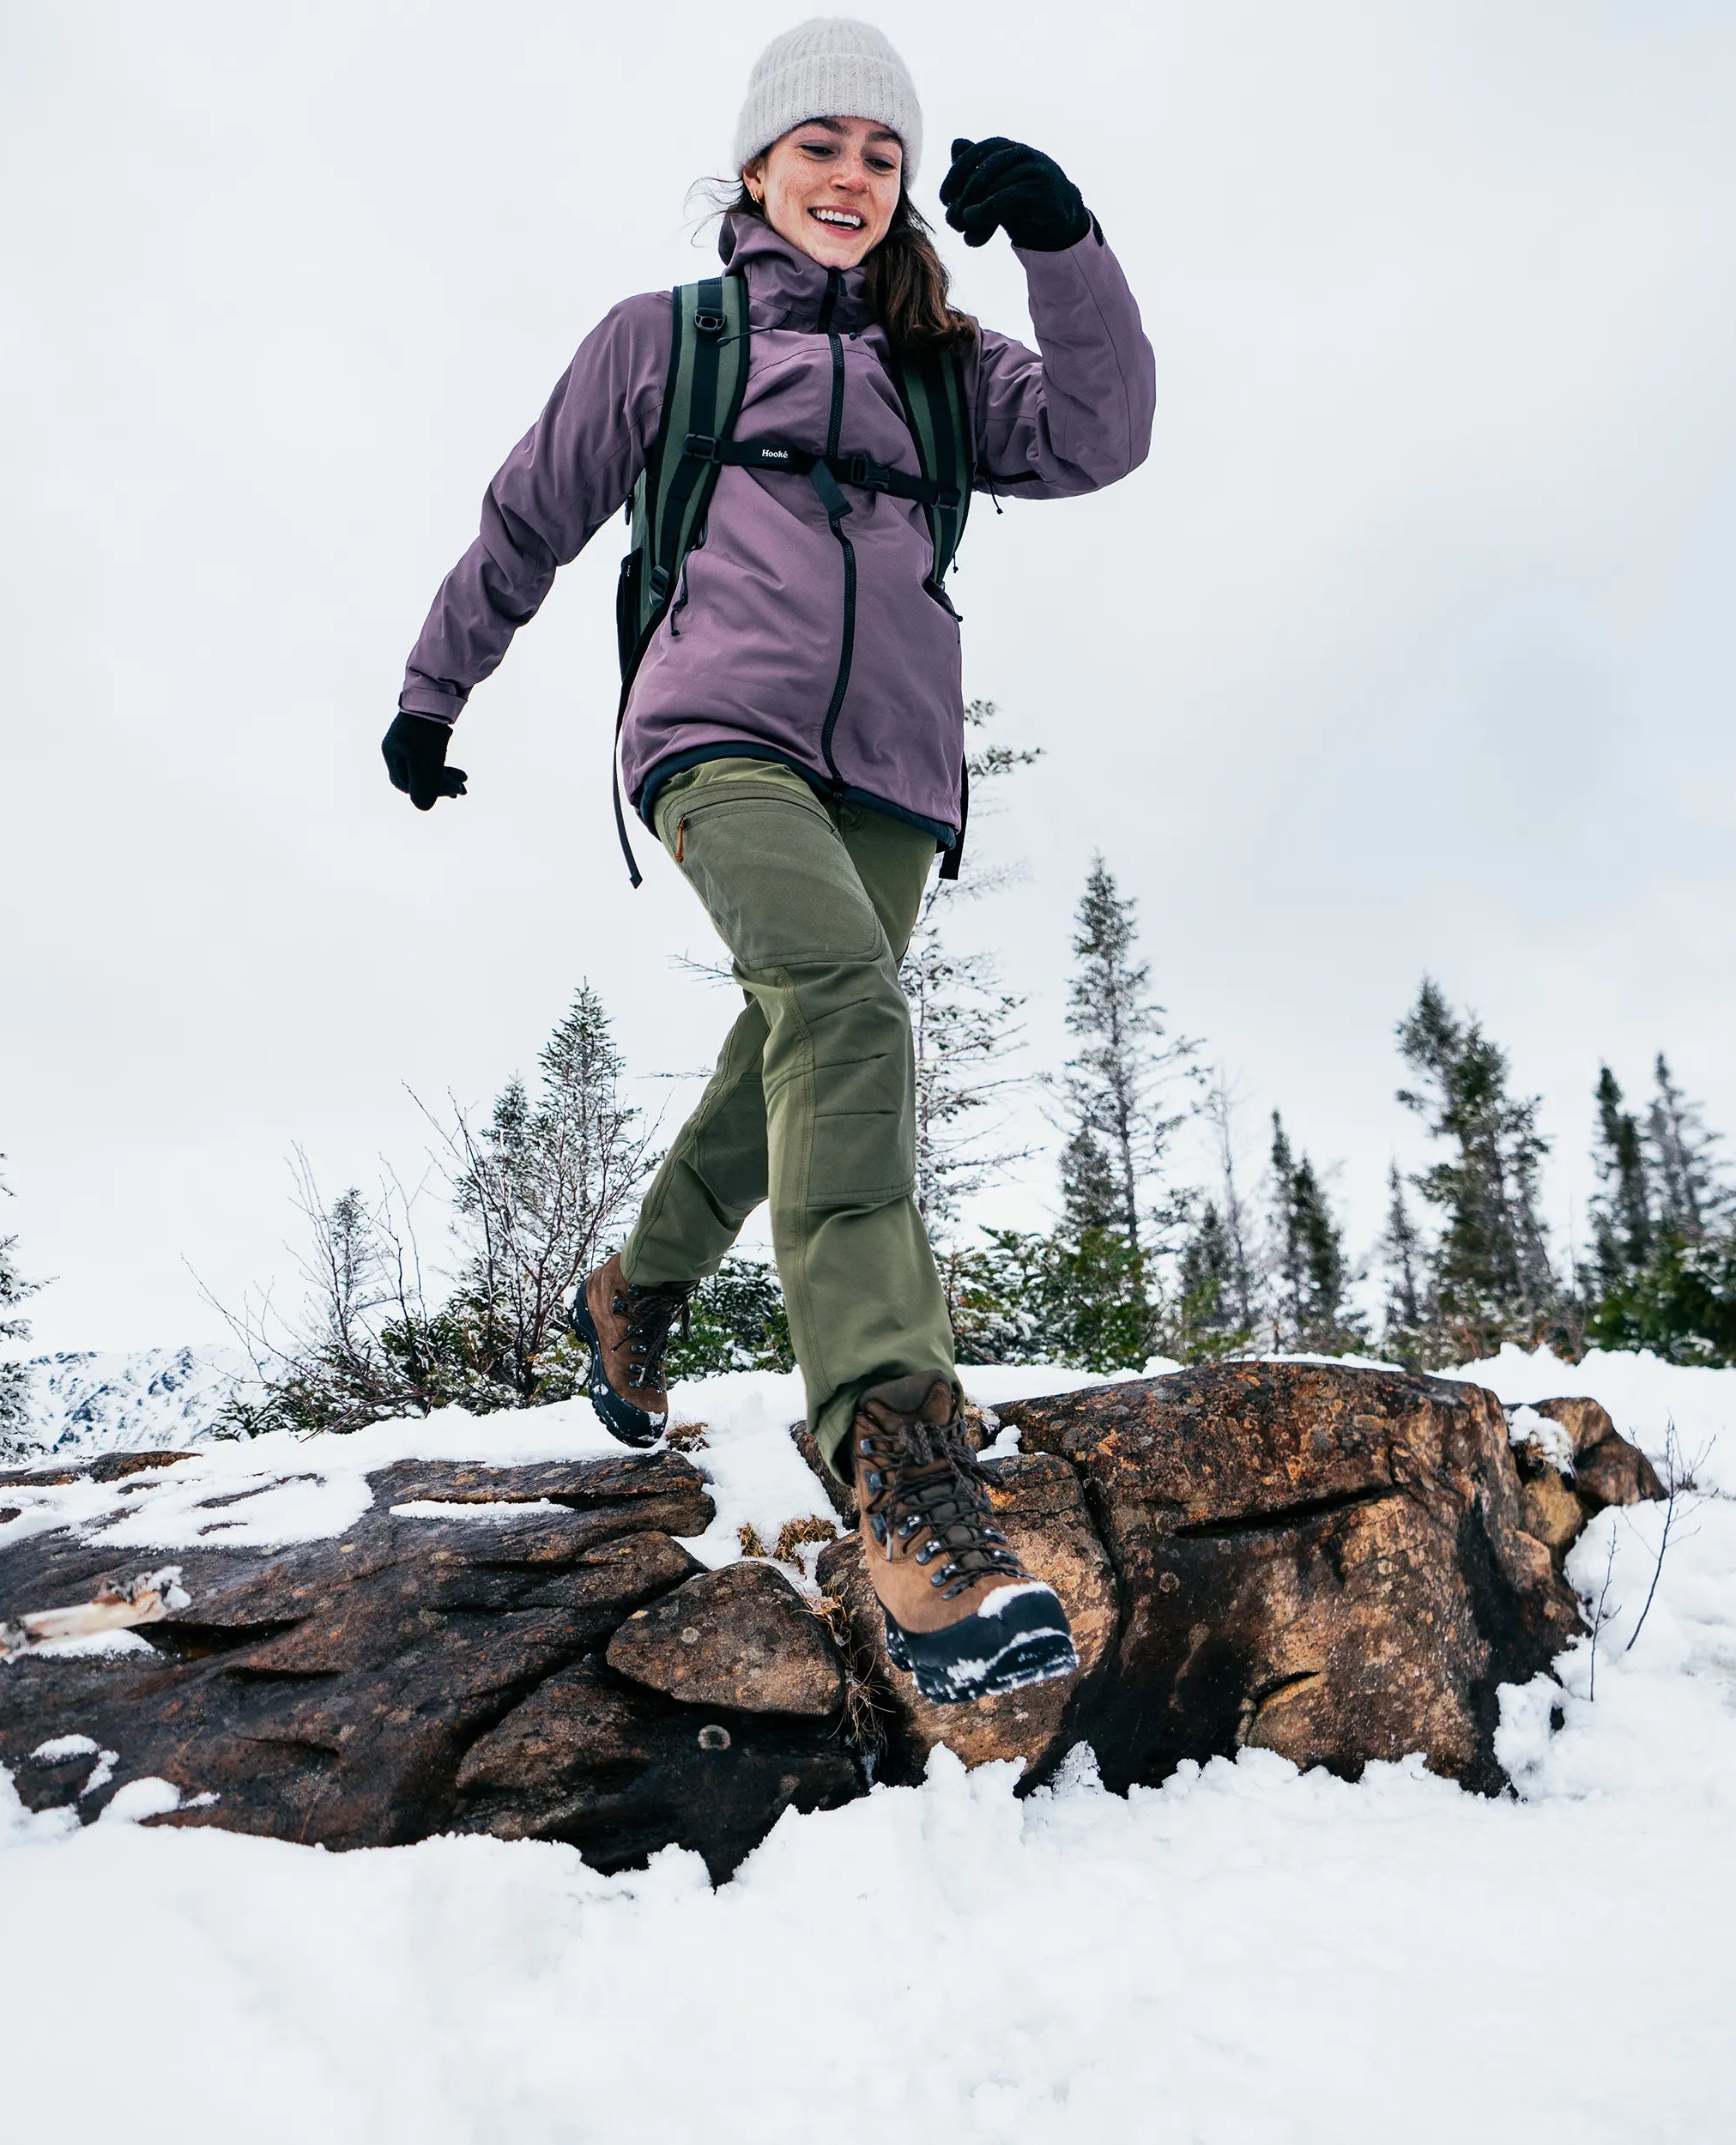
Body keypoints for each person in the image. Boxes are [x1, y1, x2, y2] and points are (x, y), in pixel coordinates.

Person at [385, 18, 1154, 1704]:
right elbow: (526, 518)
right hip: (711, 731)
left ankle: (634, 1286)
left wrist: (1058, 234)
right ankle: (895, 1456)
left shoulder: (944, 373)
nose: (852, 177)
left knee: (795, 1042)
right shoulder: (664, 343)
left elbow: (1101, 433)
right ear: (752, 167)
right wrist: (432, 695)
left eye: (881, 157)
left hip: (887, 770)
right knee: (842, 1010)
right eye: (820, 146)